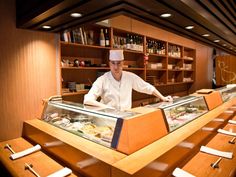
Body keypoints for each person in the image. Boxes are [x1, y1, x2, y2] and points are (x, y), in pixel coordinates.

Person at [83, 50, 172, 110]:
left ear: (123, 63)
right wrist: (107, 108)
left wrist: (163, 98)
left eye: (118, 63)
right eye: (113, 63)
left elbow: (147, 87)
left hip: (126, 117)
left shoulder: (129, 77)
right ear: (109, 63)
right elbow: (87, 100)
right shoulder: (102, 80)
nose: (116, 67)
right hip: (108, 117)